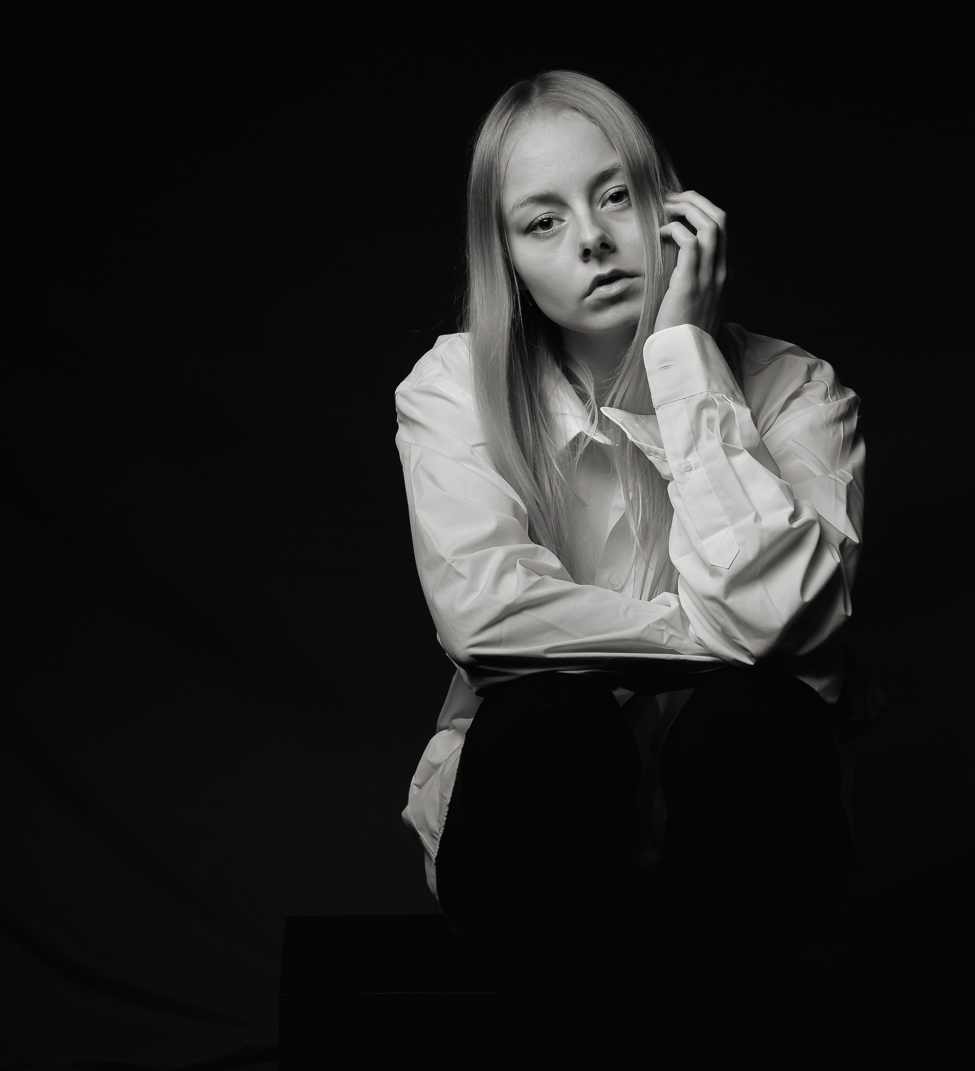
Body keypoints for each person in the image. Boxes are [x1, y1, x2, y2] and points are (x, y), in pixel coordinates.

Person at [397, 70, 864, 998]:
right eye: (543, 221)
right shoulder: (453, 387)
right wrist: (714, 635)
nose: (593, 240)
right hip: (530, 847)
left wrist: (684, 361)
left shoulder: (799, 391)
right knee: (550, 717)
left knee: (760, 718)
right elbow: (486, 619)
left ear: (674, 209)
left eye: (616, 196)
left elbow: (788, 623)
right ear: (507, 258)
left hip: (747, 856)